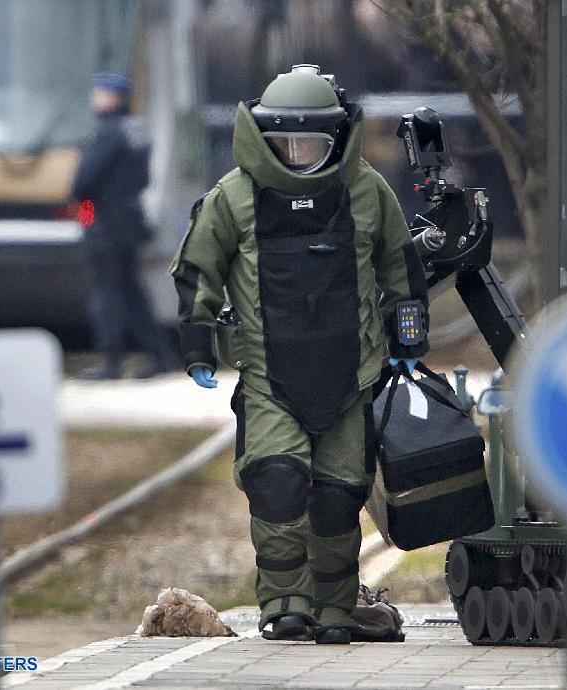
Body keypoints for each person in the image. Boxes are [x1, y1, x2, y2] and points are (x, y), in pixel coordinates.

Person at [170, 65, 429, 644]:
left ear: (336, 139)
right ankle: (285, 602)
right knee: (277, 483)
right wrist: (198, 340)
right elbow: (198, 270)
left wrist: (409, 335)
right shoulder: (234, 197)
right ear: (263, 139)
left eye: (311, 142)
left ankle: (336, 608)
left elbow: (400, 267)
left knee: (339, 499)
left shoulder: (366, 191)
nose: (297, 154)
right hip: (269, 377)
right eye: (285, 143)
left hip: (351, 376)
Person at [73, 72, 172, 380]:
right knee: (131, 290)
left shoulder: (107, 132)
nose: (95, 98)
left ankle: (110, 361)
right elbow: (143, 179)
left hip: (102, 220)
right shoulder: (138, 129)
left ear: (112, 96)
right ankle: (160, 354)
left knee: (107, 292)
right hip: (131, 219)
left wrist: (86, 221)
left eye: (99, 93)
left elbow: (83, 185)